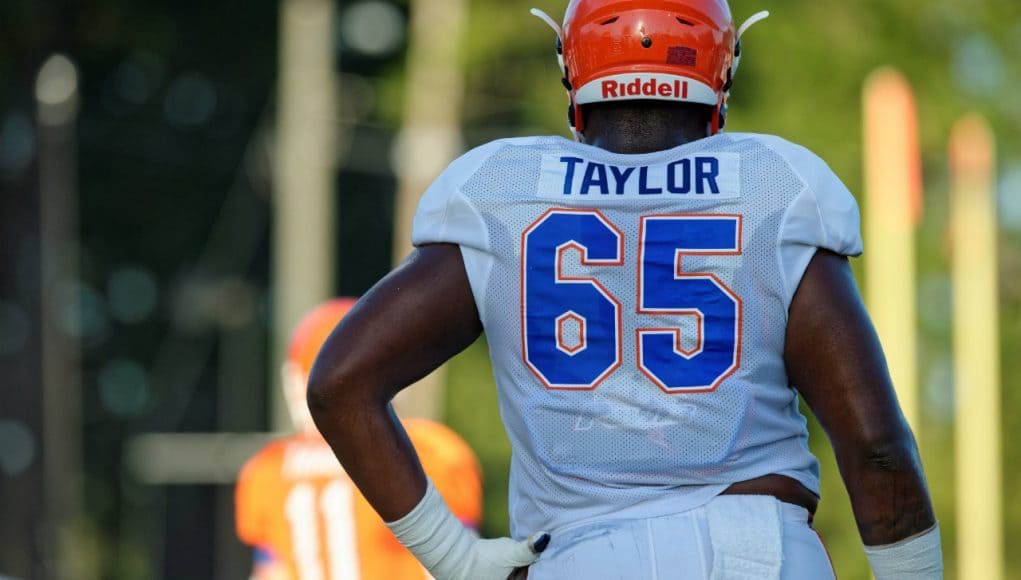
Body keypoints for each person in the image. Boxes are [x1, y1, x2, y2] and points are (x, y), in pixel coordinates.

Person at [306, 1, 942, 578]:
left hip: (583, 557)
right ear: (721, 73)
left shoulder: (503, 193)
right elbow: (876, 447)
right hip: (755, 550)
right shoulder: (775, 188)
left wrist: (456, 558)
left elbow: (341, 385)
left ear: (572, 72)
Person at [235, 298, 483, 580]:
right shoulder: (430, 451)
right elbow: (460, 569)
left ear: (296, 383)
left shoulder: (267, 469)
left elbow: (271, 573)